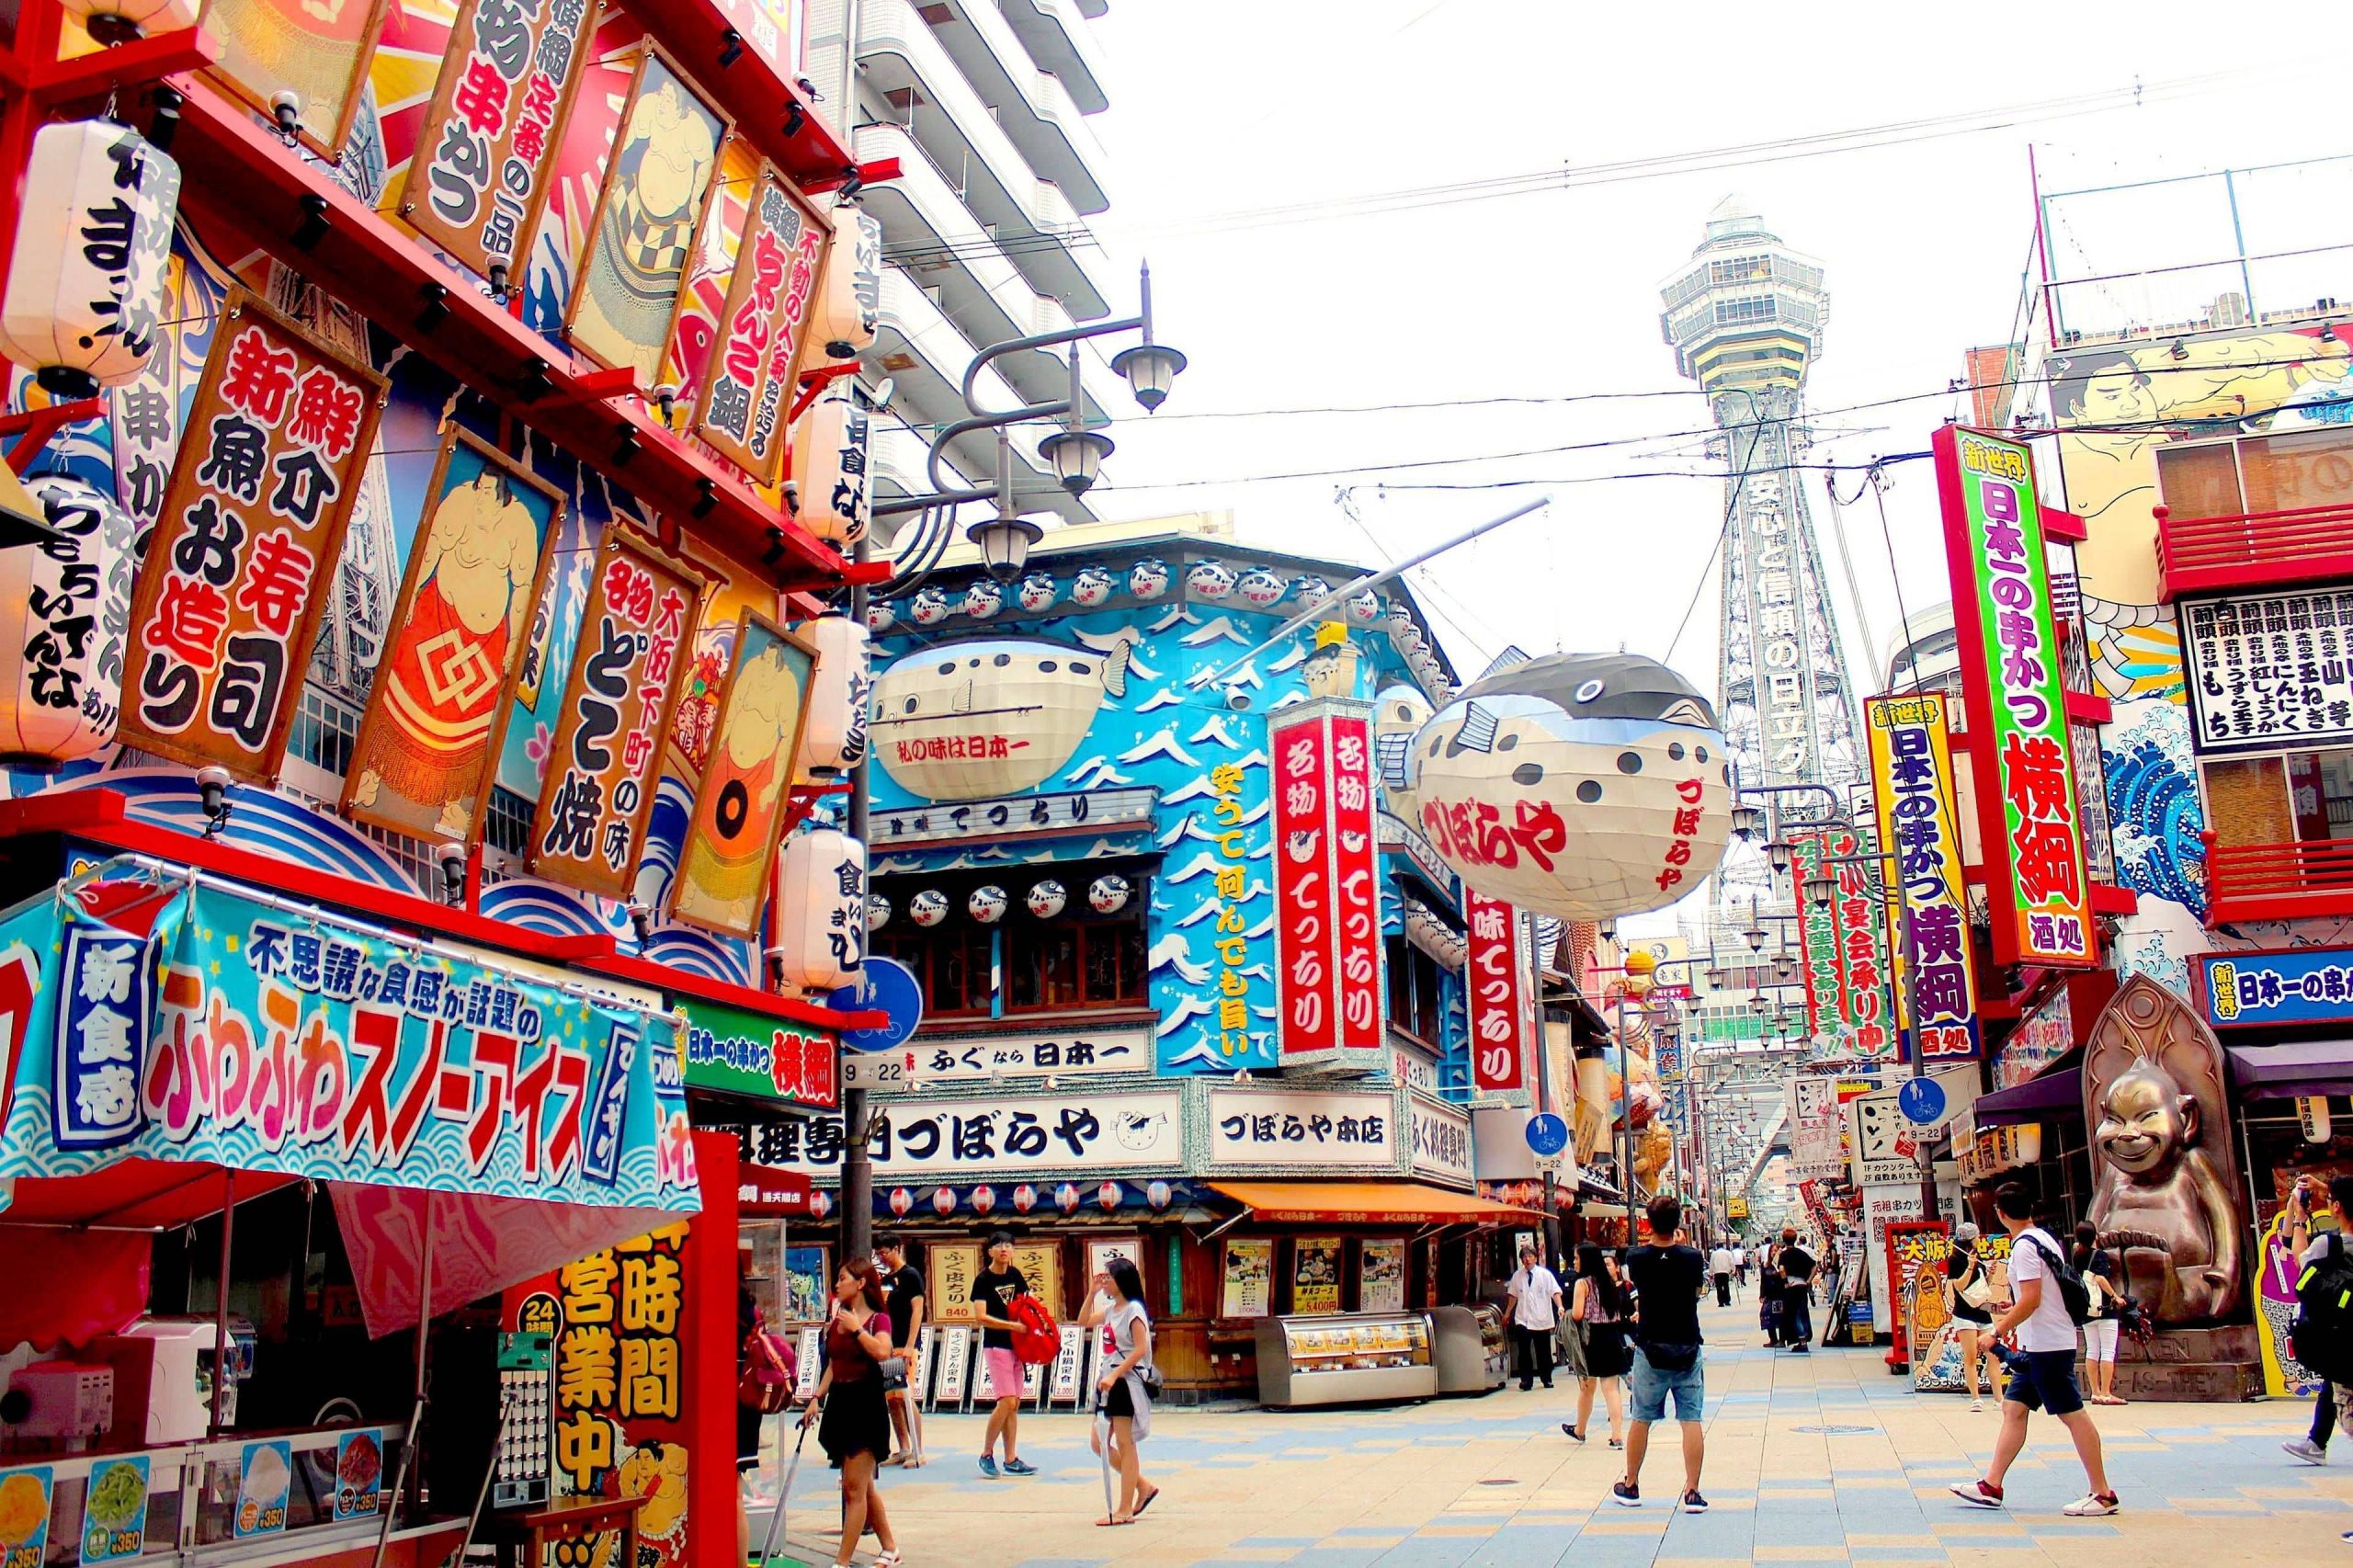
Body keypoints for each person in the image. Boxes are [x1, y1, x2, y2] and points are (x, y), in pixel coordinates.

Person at [1949, 1183, 2118, 1517]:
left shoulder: (2024, 1248)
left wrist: (1996, 1330)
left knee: (2072, 1414)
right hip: (2039, 1344)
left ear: (2000, 1213)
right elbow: (2038, 1296)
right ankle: (1991, 1485)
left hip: (2047, 1346)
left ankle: (2102, 1493)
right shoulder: (2043, 1239)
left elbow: (2032, 1299)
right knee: (2013, 1409)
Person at [800, 1259, 901, 1568]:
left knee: (853, 1488)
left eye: (843, 1278)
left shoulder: (877, 1320)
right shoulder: (837, 1320)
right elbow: (834, 1364)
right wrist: (817, 1397)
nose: (837, 1285)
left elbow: (883, 1351)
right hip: (840, 1402)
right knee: (862, 1485)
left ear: (860, 1283)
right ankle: (890, 1548)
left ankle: (841, 1562)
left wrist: (857, 1331)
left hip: (865, 1403)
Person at [1612, 1195, 1710, 1514]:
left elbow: (1635, 1288)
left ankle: (1631, 1484)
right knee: (1691, 1419)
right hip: (1687, 1345)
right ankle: (1692, 1491)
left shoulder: (1636, 1257)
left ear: (1648, 1223)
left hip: (1650, 1346)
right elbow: (1697, 1292)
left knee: (1641, 1418)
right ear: (1678, 1222)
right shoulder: (1693, 1257)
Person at [1081, 1256, 1161, 1526]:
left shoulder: (1133, 1310)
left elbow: (1140, 1348)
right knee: (1098, 1442)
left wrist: (1115, 1374)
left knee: (1126, 1444)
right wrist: (1091, 1293)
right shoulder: (1112, 1309)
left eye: (1109, 1277)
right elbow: (1082, 1322)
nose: (1105, 1282)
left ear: (1122, 1281)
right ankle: (1143, 1486)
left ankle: (1125, 1508)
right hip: (1109, 1381)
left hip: (1125, 1382)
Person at [2282, 1174, 2353, 1467]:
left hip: (2344, 1329)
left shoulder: (2330, 1244)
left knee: (2342, 1386)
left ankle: (2315, 1442)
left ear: (2336, 1207)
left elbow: (2300, 1259)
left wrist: (2300, 1218)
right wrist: (2328, 1190)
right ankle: (2315, 1442)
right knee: (2336, 1378)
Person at [970, 1232, 1039, 1477]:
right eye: (998, 1244)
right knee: (1006, 1401)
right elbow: (981, 1317)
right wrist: (1012, 1326)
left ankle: (1011, 1458)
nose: (1003, 1249)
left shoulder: (1016, 1275)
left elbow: (1027, 1303)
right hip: (996, 1345)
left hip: (1017, 1346)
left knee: (1014, 1405)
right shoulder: (983, 1280)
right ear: (989, 1251)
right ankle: (986, 1454)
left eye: (1008, 1244)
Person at [1562, 1244, 1629, 1449]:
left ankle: (1580, 1430)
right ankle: (1617, 1436)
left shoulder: (1583, 1284)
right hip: (1612, 1337)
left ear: (1586, 1260)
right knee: (1611, 1389)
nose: (1574, 1262)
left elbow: (1578, 1314)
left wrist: (1567, 1313)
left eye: (1576, 1258)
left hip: (1592, 1338)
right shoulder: (1609, 1281)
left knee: (1586, 1387)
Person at [877, 1235, 926, 1466]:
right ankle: (903, 1447)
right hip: (887, 1345)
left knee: (905, 1396)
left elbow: (917, 1310)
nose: (882, 1257)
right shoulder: (886, 1279)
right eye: (878, 1254)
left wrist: (909, 1344)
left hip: (904, 1345)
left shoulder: (910, 1276)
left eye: (885, 1252)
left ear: (897, 1249)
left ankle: (918, 1450)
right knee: (892, 1398)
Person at [1945, 1222, 2002, 1412]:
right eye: (1977, 1236)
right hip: (1964, 1314)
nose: (1979, 1239)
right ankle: (1976, 1398)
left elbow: (1982, 1286)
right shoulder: (1955, 1260)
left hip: (1982, 1312)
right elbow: (1959, 1287)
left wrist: (1990, 1275)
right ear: (1970, 1239)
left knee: (1993, 1355)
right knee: (1971, 1356)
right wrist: (1970, 1267)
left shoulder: (1980, 1257)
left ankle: (1999, 1399)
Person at [2071, 1221, 2125, 1407]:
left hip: (2086, 1310)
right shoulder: (2099, 1255)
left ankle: (2094, 1392)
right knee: (2108, 1351)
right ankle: (2106, 1393)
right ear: (2095, 1236)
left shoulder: (2077, 1256)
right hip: (2104, 1308)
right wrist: (2115, 1296)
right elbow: (2100, 1278)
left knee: (2092, 1349)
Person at [1505, 1243, 1565, 1391]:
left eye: (1530, 1256)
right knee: (1524, 1351)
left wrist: (1560, 1306)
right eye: (1524, 1257)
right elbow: (1513, 1296)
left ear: (1536, 1258)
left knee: (1543, 1351)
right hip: (1522, 1318)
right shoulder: (1517, 1276)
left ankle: (1546, 1378)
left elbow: (1555, 1292)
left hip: (1541, 1318)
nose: (1527, 1259)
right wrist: (1507, 1313)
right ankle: (1526, 1380)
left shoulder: (1545, 1275)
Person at [1776, 1228, 1815, 1352]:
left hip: (1791, 1285)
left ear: (1784, 1239)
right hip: (1802, 1285)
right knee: (1803, 1311)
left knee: (1794, 1313)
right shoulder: (1801, 1253)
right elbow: (1815, 1266)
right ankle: (1805, 1337)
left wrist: (1786, 1283)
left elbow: (1781, 1269)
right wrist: (1808, 1281)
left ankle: (1801, 1340)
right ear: (1795, 1239)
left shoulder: (1783, 1254)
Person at [1708, 1238, 1737, 1307]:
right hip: (1725, 1272)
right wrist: (1733, 1270)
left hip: (1717, 1272)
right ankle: (1727, 1301)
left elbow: (1711, 1264)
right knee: (1726, 1286)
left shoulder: (1714, 1254)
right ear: (1723, 1246)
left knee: (1719, 1287)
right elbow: (1732, 1262)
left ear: (1716, 1246)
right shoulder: (1728, 1253)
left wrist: (1711, 1273)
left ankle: (1721, 1302)